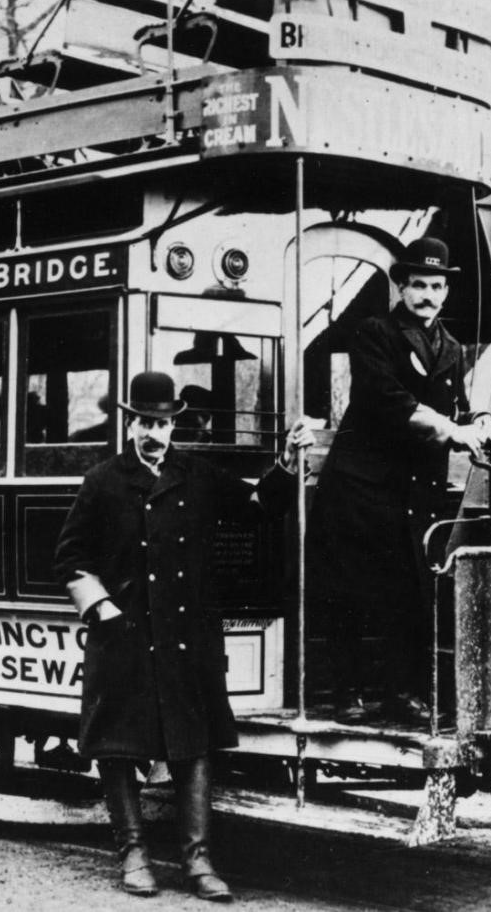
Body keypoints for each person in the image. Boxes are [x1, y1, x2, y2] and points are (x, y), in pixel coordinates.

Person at [54, 371, 312, 901]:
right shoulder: (103, 479)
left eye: (165, 424)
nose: (155, 433)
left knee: (193, 746)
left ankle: (198, 861)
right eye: (147, 422)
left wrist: (286, 463)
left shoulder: (196, 474)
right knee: (120, 746)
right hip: (123, 635)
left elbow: (260, 507)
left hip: (184, 636)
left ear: (175, 425)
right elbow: (71, 558)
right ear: (131, 423)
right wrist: (101, 609)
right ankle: (132, 853)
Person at [306, 236, 491, 726]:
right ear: (402, 288)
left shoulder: (451, 347)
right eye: (418, 285)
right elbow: (385, 398)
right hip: (360, 488)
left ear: (445, 292)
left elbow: (460, 405)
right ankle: (345, 692)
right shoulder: (374, 334)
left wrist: (479, 419)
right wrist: (450, 429)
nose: (428, 295)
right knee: (352, 588)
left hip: (414, 492)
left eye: (436, 286)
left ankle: (398, 693)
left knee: (407, 591)